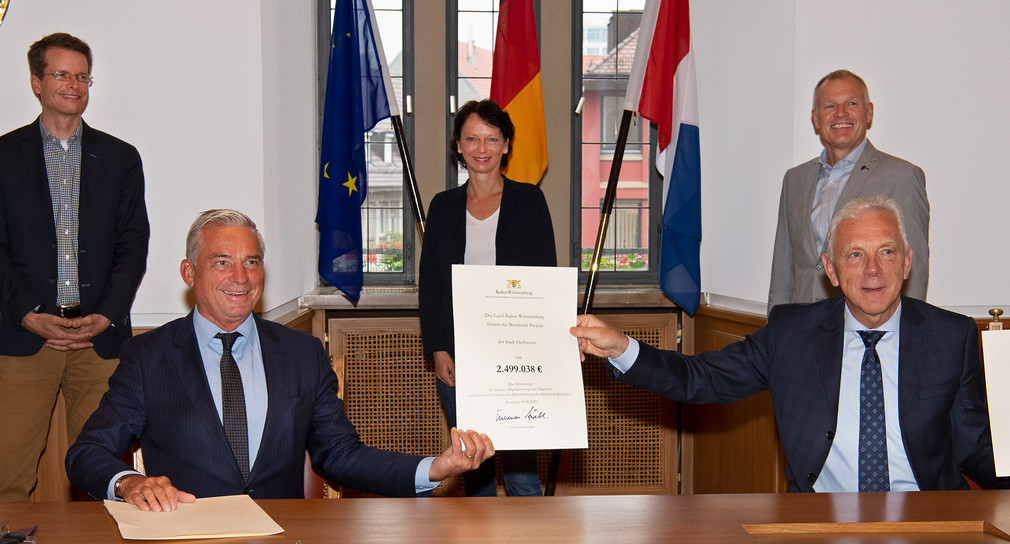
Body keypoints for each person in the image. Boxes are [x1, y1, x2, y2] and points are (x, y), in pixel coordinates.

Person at [66, 210, 494, 511]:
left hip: (284, 533)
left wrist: (435, 467)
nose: (241, 277)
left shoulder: (301, 354)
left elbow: (341, 455)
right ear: (188, 272)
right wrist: (129, 482)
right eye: (222, 262)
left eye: (252, 262)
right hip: (188, 533)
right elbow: (87, 453)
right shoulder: (149, 357)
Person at [573, 196, 1006, 492]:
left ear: (907, 261)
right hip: (821, 522)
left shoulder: (952, 336)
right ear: (831, 269)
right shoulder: (792, 334)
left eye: (887, 252)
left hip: (928, 521)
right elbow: (701, 378)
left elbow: (976, 449)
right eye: (855, 254)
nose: (873, 270)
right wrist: (621, 347)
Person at [0, 32, 149, 502]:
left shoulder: (122, 158)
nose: (74, 84)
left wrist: (105, 314)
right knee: (8, 478)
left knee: (102, 476)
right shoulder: (2, 157)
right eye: (61, 74)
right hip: (23, 338)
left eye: (82, 76)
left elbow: (133, 245)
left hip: (98, 341)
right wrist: (26, 312)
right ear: (35, 83)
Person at [419, 99, 556, 497]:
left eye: (492, 138)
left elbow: (545, 281)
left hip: (518, 354)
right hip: (461, 355)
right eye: (472, 138)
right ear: (458, 146)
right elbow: (431, 287)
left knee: (521, 468)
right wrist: (439, 349)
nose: (482, 148)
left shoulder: (530, 202)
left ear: (507, 144)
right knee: (473, 464)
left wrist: (546, 350)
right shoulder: (443, 207)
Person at [768, 69, 929, 310]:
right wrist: (776, 331)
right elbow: (783, 269)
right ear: (815, 118)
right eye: (830, 106)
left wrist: (906, 338)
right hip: (802, 328)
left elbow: (913, 271)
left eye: (851, 103)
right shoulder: (795, 179)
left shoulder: (902, 176)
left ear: (868, 113)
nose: (840, 113)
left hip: (865, 328)